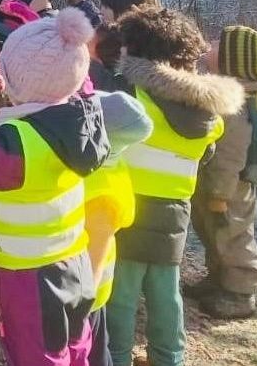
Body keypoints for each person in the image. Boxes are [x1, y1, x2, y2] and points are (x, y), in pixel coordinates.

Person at [0, 2, 109, 366]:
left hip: (26, 276)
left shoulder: (13, 147)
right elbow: (81, 88)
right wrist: (57, 50)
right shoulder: (86, 121)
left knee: (38, 357)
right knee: (78, 347)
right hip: (75, 260)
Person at [107, 7, 243, 366]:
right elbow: (209, 152)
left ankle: (116, 357)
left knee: (121, 295)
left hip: (128, 210)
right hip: (174, 212)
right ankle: (170, 357)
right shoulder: (208, 114)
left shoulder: (133, 98)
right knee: (166, 293)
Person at [189, 26, 257, 319]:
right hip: (220, 183)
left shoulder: (235, 107)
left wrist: (219, 194)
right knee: (214, 233)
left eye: (218, 43)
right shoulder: (231, 91)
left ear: (232, 63)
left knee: (234, 234)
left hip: (229, 187)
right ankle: (218, 279)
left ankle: (241, 292)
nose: (211, 43)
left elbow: (230, 156)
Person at [83, 92, 153, 366]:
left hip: (88, 295)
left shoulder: (102, 194)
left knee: (93, 354)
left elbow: (94, 258)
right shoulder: (111, 165)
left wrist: (78, 305)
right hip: (88, 291)